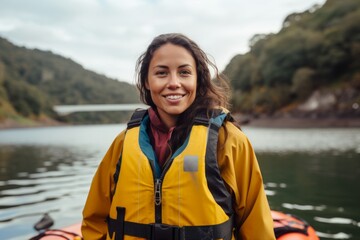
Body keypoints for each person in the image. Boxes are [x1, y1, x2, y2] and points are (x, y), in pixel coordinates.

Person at [82, 33, 276, 240]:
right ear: (146, 82)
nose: (174, 83)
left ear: (198, 79)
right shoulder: (123, 143)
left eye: (184, 72)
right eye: (161, 73)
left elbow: (256, 226)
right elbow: (95, 220)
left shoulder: (229, 141)